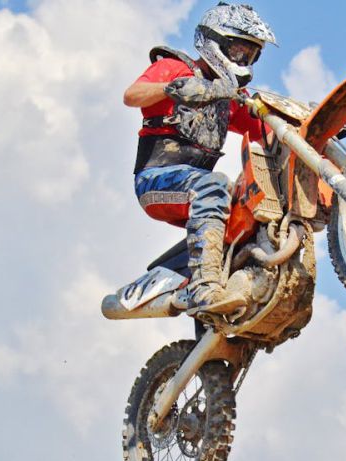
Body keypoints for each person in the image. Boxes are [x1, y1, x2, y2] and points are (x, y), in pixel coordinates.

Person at [123, 3, 276, 317]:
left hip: (198, 192)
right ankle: (204, 290)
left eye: (250, 56)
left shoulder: (226, 98)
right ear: (215, 41)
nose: (242, 61)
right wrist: (173, 89)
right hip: (156, 179)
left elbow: (269, 132)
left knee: (249, 207)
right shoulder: (176, 68)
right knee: (216, 184)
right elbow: (132, 95)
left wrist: (320, 125)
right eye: (237, 52)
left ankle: (219, 325)